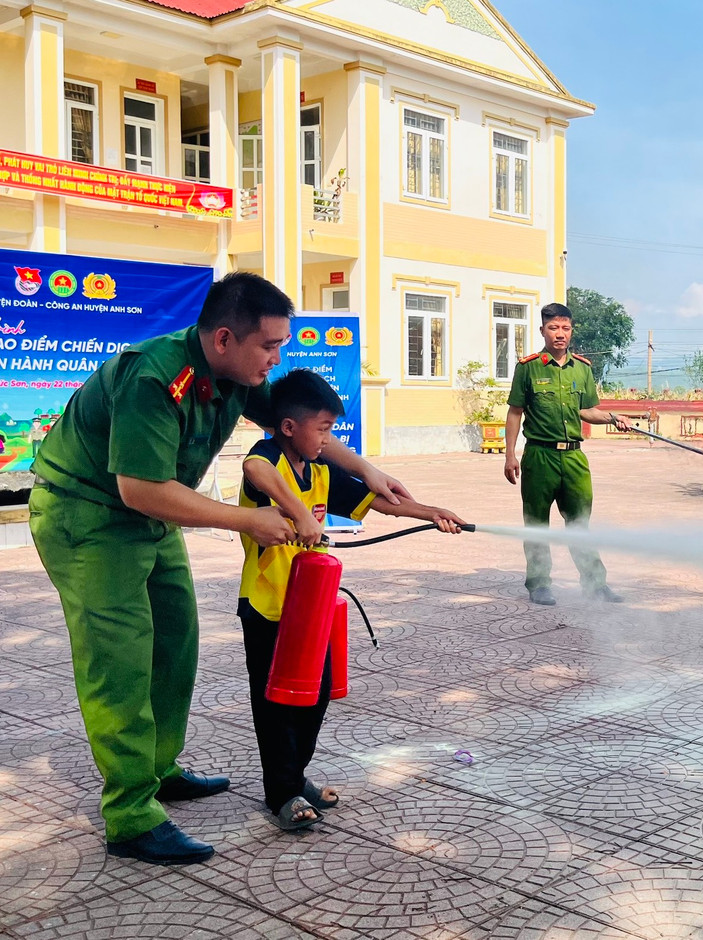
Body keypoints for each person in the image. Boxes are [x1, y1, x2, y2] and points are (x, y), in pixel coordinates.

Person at [27, 272, 410, 865]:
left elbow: (295, 421)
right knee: (120, 660)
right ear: (225, 338)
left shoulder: (236, 373)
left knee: (176, 643)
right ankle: (130, 812)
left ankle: (159, 769)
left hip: (153, 515)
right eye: (269, 346)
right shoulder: (153, 377)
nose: (276, 359)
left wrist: (366, 469)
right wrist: (247, 520)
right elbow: (139, 488)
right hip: (90, 515)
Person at [237, 369, 466, 830]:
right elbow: (253, 470)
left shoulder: (321, 470)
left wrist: (430, 512)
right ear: (288, 427)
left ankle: (295, 778)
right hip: (266, 606)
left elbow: (375, 501)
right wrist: (301, 515)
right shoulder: (269, 459)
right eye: (322, 429)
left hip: (309, 606)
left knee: (316, 695)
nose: (328, 440)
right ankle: (281, 793)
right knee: (275, 704)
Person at [504, 302, 632, 606]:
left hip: (574, 458)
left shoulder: (582, 368)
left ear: (571, 330)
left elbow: (586, 410)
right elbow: (515, 412)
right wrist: (510, 455)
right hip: (539, 456)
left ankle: (595, 584)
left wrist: (613, 417)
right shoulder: (528, 367)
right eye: (553, 328)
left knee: (580, 523)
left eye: (565, 328)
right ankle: (539, 584)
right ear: (542, 330)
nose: (560, 334)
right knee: (537, 523)